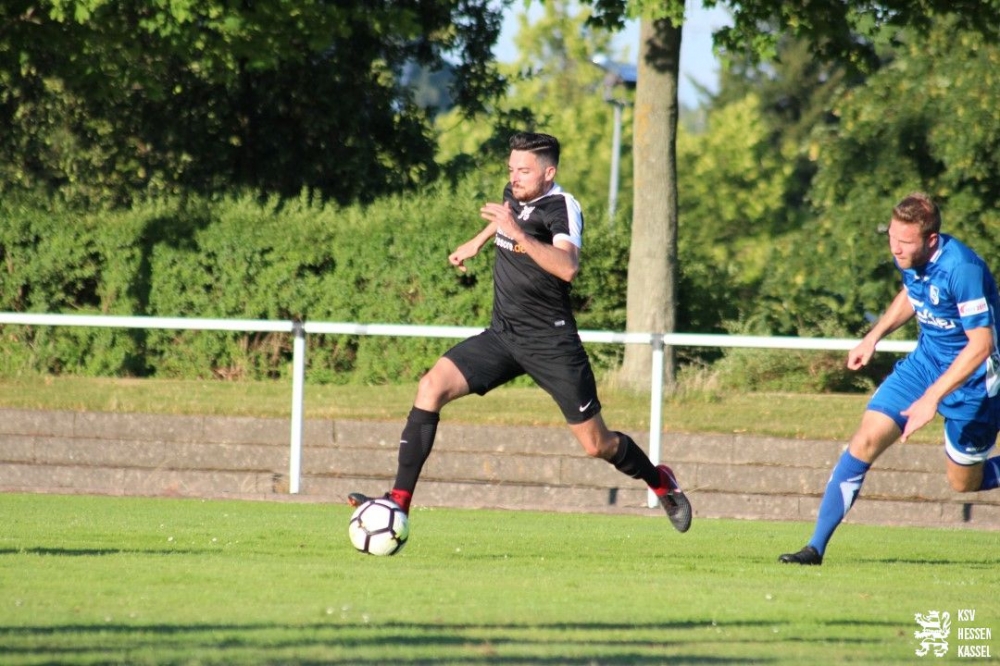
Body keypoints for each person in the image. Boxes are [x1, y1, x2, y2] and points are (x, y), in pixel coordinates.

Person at [348, 131, 691, 533]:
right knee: (430, 387)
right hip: (503, 335)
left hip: (551, 343)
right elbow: (508, 220)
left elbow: (568, 267)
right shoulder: (515, 195)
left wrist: (519, 234)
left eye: (524, 170)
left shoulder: (562, 207)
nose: (514, 177)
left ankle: (660, 481)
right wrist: (476, 242)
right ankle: (399, 501)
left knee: (596, 445)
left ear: (549, 173)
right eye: (511, 169)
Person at [780, 191, 1000, 565]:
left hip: (974, 381)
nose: (896, 248)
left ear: (931, 240)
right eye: (892, 238)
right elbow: (913, 295)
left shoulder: (962, 269)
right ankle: (814, 548)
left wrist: (931, 399)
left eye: (905, 242)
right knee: (865, 440)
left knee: (963, 482)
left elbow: (981, 345)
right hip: (924, 365)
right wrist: (873, 336)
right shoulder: (911, 257)